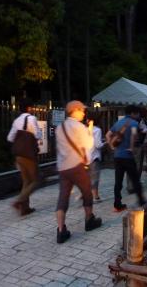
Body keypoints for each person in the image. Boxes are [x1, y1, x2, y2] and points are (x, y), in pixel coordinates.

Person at [55, 100, 102, 244]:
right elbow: (88, 146)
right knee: (87, 193)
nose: (83, 113)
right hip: (77, 166)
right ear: (75, 110)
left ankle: (61, 230)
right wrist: (87, 163)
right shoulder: (79, 127)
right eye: (82, 110)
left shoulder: (59, 127)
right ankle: (89, 220)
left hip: (63, 167)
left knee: (63, 197)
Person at [106, 105, 146, 212]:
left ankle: (117, 204)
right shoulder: (134, 123)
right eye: (137, 113)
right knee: (135, 179)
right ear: (133, 113)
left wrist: (112, 147)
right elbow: (133, 135)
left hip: (117, 156)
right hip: (128, 156)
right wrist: (131, 148)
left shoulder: (118, 123)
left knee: (118, 181)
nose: (138, 115)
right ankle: (142, 201)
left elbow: (108, 135)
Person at [7, 98, 41, 216]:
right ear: (29, 108)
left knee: (26, 181)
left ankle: (25, 209)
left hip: (18, 155)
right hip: (29, 154)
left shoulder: (16, 121)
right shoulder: (32, 118)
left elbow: (10, 138)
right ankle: (19, 201)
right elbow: (37, 135)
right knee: (35, 181)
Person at [87, 113, 105, 201]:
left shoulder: (85, 130)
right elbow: (98, 145)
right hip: (94, 156)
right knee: (95, 177)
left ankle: (86, 194)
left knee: (88, 177)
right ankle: (95, 196)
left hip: (86, 157)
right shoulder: (97, 130)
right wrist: (105, 143)